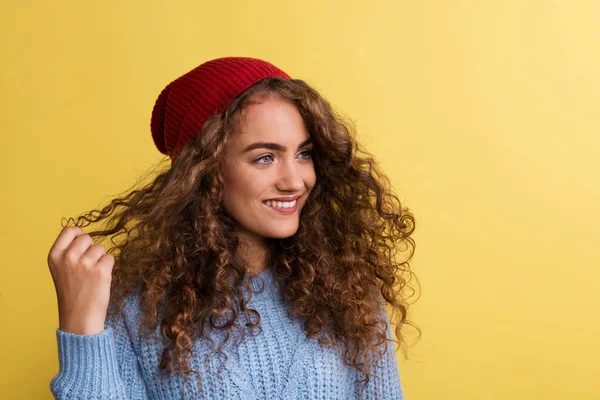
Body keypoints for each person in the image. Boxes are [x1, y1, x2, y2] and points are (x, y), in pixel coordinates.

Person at [47, 56, 418, 399]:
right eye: (265, 158)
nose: (295, 180)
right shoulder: (137, 307)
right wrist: (81, 329)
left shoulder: (346, 289)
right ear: (205, 172)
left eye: (304, 154)